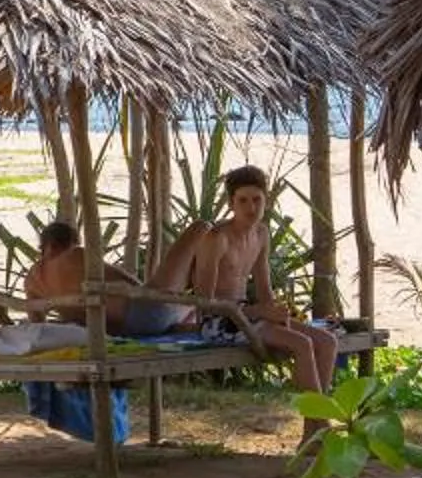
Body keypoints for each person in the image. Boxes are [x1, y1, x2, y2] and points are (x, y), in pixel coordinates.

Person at [126, 165, 339, 392]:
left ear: (266, 201)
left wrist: (278, 312)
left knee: (328, 341)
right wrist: (258, 312)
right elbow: (205, 303)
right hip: (218, 323)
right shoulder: (217, 238)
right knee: (302, 344)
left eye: (257, 200)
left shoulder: (262, 234)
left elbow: (264, 288)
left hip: (247, 317)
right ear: (231, 204)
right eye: (243, 201)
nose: (251, 207)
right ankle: (317, 420)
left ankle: (315, 420)